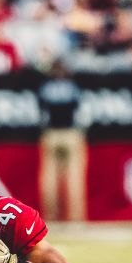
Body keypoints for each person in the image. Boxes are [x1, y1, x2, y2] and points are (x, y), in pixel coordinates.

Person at [38, 62, 86, 221]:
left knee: (49, 178)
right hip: (71, 133)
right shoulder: (73, 87)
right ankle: (75, 220)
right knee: (74, 178)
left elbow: (41, 114)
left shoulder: (45, 87)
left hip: (51, 133)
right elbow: (83, 112)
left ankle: (50, 219)